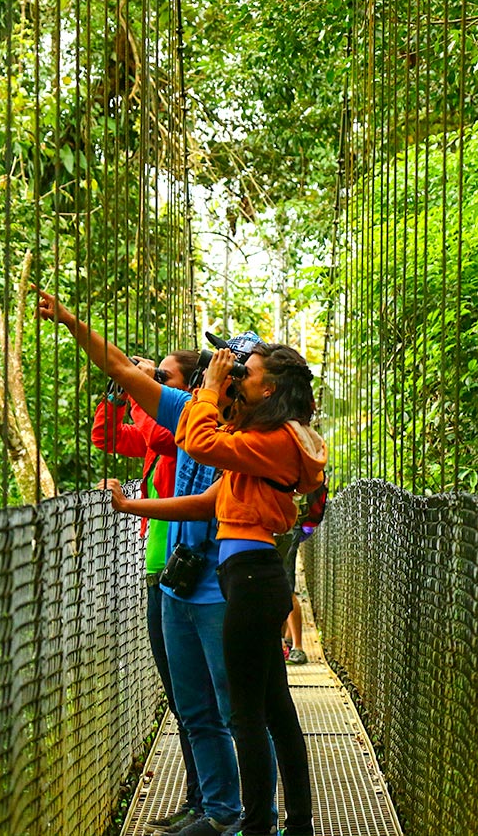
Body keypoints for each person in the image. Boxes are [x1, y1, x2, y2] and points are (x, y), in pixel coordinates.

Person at [36, 287, 248, 836]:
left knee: (236, 710)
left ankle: (251, 816)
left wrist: (133, 501)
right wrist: (70, 320)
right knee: (192, 705)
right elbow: (111, 424)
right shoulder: (183, 416)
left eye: (227, 369)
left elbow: (207, 496)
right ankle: (214, 810)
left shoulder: (248, 436)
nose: (215, 377)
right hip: (176, 577)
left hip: (224, 582)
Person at [175, 342, 326, 836]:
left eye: (250, 371)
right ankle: (296, 825)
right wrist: (222, 390)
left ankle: (258, 825)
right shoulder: (271, 436)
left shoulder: (278, 441)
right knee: (276, 711)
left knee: (245, 713)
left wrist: (212, 388)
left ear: (272, 388)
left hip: (252, 578)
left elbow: (198, 443)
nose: (241, 375)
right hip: (254, 577)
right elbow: (201, 437)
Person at [90, 351, 207, 830]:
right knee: (182, 697)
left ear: (185, 388)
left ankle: (213, 803)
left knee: (195, 699)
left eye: (163, 377)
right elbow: (109, 438)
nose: (153, 381)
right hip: (158, 564)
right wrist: (118, 392)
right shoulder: (163, 434)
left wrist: (139, 385)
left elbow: (160, 431)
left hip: (180, 568)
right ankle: (200, 797)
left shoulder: (185, 424)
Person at [277, 480, 326, 666]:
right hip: (285, 521)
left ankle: (297, 646)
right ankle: (287, 642)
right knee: (278, 584)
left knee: (285, 587)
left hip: (288, 522)